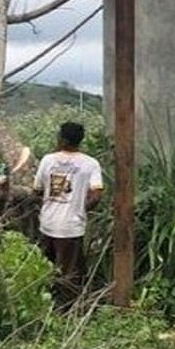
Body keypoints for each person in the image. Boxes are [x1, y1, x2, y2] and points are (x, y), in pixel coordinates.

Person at [34, 121, 104, 307]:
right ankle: (67, 310)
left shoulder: (48, 160)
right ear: (80, 140)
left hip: (47, 224)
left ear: (61, 139)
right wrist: (80, 208)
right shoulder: (90, 163)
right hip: (71, 227)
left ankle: (46, 305)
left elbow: (38, 190)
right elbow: (97, 195)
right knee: (70, 272)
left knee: (45, 268)